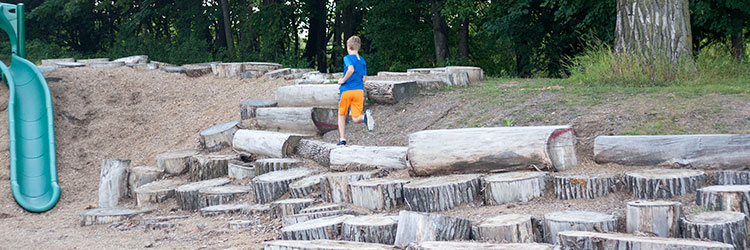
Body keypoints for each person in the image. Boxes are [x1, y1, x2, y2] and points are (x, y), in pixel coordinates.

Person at [336, 35, 374, 146]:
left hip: (347, 91)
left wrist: (343, 80)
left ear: (348, 47)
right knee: (356, 118)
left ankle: (342, 139)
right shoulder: (362, 61)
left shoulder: (347, 58)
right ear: (358, 47)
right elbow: (364, 78)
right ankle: (365, 117)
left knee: (341, 115)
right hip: (358, 92)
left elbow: (350, 69)